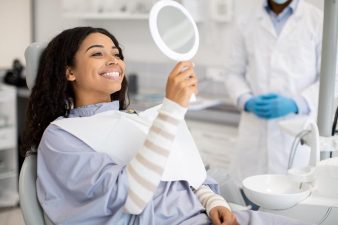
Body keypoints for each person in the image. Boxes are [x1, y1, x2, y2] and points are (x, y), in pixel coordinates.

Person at [21, 26, 313, 225]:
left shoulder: (133, 118)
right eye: (98, 53)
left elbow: (186, 175)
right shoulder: (61, 137)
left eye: (116, 53)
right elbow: (131, 198)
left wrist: (212, 201)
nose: (114, 60)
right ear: (69, 71)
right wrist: (171, 110)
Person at [225, 0, 338, 205]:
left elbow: (334, 77)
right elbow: (232, 73)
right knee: (250, 208)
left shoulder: (317, 20)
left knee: (294, 206)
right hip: (253, 140)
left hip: (297, 137)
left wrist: (297, 103)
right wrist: (246, 99)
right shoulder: (245, 19)